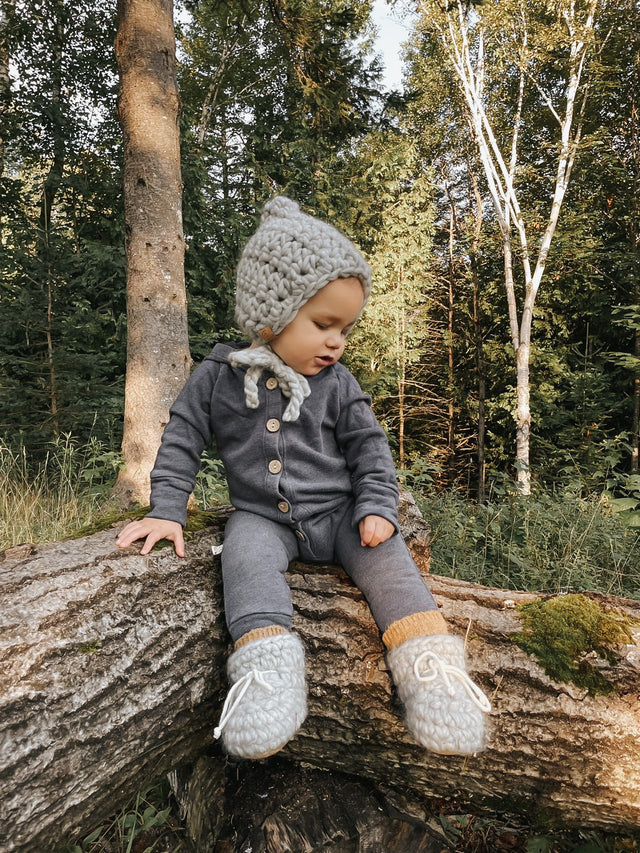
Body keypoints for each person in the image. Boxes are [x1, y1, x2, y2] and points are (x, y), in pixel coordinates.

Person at [116, 196, 491, 760]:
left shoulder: (338, 384)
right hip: (263, 519)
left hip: (340, 514)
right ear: (270, 315)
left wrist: (377, 506)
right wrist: (167, 508)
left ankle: (431, 673)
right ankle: (268, 675)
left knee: (391, 565)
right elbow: (182, 439)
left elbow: (370, 449)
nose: (337, 341)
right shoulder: (217, 377)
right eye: (323, 324)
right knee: (243, 561)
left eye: (345, 328)